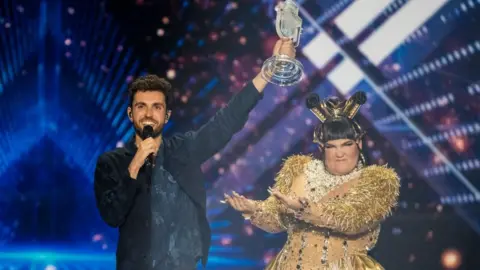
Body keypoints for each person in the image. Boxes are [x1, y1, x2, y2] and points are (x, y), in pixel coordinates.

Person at [93, 38, 296, 270]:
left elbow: (226, 121)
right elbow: (112, 216)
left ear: (166, 115)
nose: (149, 114)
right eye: (141, 106)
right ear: (130, 114)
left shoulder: (184, 150)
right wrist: (134, 166)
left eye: (156, 107)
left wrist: (267, 72)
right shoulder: (111, 163)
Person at [224, 91, 400, 269]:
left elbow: (355, 220)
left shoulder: (376, 181)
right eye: (331, 146)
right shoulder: (300, 170)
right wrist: (253, 208)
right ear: (322, 148)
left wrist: (307, 209)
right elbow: (277, 220)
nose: (339, 153)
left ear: (359, 143)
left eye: (347, 144)